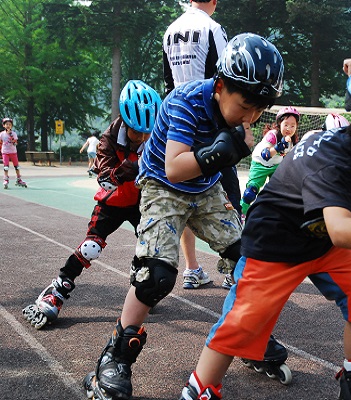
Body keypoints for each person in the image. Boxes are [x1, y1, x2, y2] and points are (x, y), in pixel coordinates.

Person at [179, 55, 351, 400]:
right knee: (241, 325)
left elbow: (336, 231)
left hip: (323, 243)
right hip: (277, 246)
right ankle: (199, 390)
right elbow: (341, 230)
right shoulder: (333, 163)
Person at [83, 33, 285, 400]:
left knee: (248, 258)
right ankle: (114, 358)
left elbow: (226, 154)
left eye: (260, 110)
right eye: (246, 106)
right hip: (163, 186)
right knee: (156, 275)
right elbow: (175, 168)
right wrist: (221, 152)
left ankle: (248, 334)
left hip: (205, 189)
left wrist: (227, 154)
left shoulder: (241, 110)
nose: (251, 118)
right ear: (220, 86)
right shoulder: (186, 101)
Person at [22, 80, 161, 329]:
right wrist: (130, 167)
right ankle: (57, 290)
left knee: (153, 246)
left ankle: (138, 273)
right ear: (125, 121)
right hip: (112, 203)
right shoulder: (108, 139)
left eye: (146, 132)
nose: (142, 138)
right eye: (136, 132)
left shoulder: (156, 135)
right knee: (91, 247)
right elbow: (105, 180)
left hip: (141, 201)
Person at [163, 0, 236, 290]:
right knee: (229, 191)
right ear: (214, 2)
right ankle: (233, 270)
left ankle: (192, 269)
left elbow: (168, 83)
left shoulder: (170, 30)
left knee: (183, 193)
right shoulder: (212, 28)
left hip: (179, 123)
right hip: (208, 122)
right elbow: (225, 78)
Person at [239, 106, 300, 218]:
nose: (289, 128)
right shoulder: (273, 135)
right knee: (250, 193)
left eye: (293, 126)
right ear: (279, 123)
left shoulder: (292, 140)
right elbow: (266, 155)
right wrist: (278, 147)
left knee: (280, 192)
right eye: (286, 125)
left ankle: (272, 215)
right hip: (260, 164)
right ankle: (241, 214)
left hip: (276, 165)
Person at [0, 117, 26, 189]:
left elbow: (15, 143)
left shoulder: (14, 134)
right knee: (6, 166)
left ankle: (19, 179)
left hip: (13, 152)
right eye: (6, 124)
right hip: (5, 152)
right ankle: (6, 179)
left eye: (9, 124)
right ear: (4, 125)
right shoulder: (2, 134)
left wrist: (11, 137)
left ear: (11, 126)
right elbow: (0, 142)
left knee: (17, 166)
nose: (8, 126)